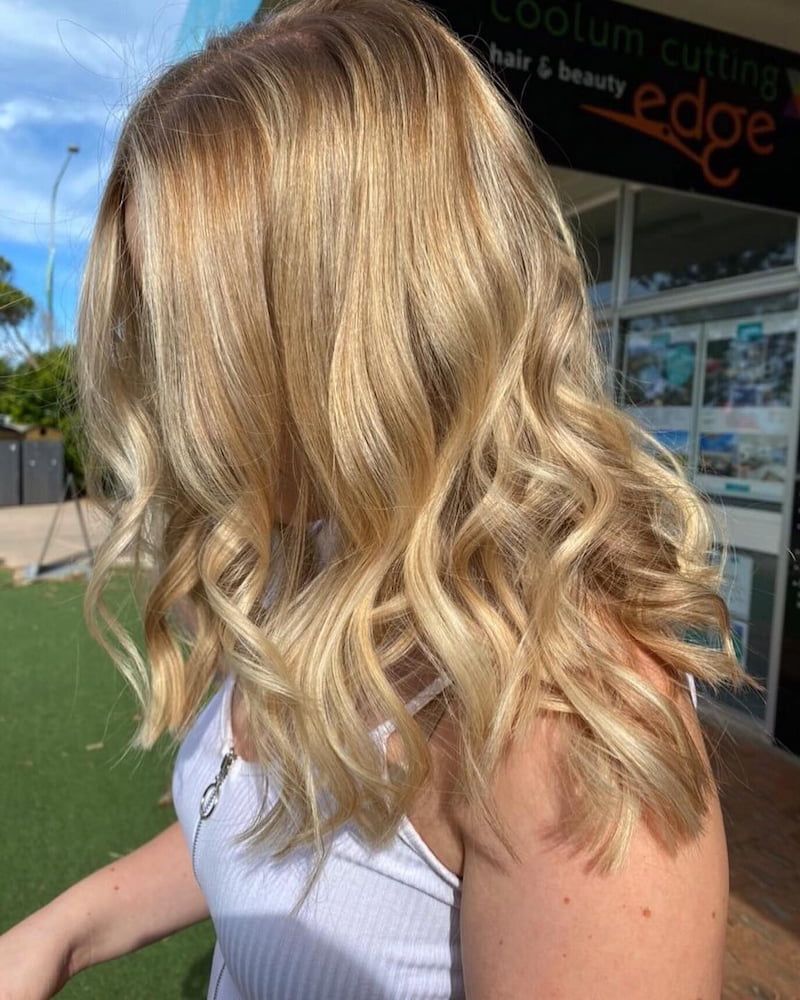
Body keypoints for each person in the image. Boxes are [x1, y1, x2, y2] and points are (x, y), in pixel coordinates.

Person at [0, 1, 753, 997]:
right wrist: (66, 926)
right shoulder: (308, 555)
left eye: (188, 328)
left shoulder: (560, 719)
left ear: (350, 331)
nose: (161, 384)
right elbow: (259, 838)